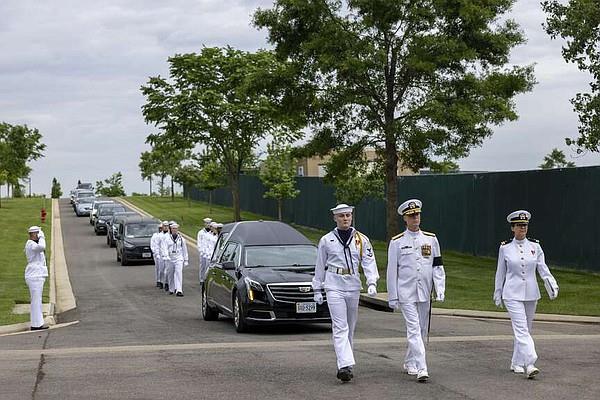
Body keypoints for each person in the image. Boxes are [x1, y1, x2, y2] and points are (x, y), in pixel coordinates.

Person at [312, 203, 379, 382]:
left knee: (350, 326)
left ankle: (347, 363)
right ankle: (343, 365)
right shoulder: (327, 240)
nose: (345, 219)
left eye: (348, 215)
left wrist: (371, 282)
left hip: (353, 284)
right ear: (335, 218)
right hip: (334, 284)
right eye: (341, 216)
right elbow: (320, 265)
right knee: (340, 326)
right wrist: (317, 287)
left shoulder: (361, 239)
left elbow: (369, 261)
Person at [494, 210, 559, 379]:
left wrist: (551, 283)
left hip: (531, 293)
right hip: (512, 293)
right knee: (522, 329)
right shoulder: (505, 247)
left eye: (525, 225)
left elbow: (542, 269)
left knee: (525, 330)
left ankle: (516, 362)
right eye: (519, 225)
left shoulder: (535, 246)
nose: (522, 228)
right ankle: (530, 363)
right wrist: (498, 292)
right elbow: (500, 272)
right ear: (512, 228)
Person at [387, 199, 445, 383]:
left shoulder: (431, 239)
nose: (415, 218)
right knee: (413, 329)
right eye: (411, 216)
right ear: (405, 218)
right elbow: (392, 271)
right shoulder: (397, 242)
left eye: (417, 215)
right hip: (406, 292)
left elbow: (437, 265)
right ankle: (422, 367)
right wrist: (392, 296)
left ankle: (410, 362)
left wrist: (440, 288)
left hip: (425, 291)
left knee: (420, 329)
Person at [24, 226, 49, 330]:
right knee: (36, 300)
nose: (38, 235)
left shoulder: (34, 244)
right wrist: (42, 237)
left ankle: (38, 323)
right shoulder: (31, 244)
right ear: (33, 234)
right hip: (34, 275)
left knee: (37, 300)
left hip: (37, 274)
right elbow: (42, 247)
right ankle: (36, 324)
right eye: (37, 234)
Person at [161, 222, 189, 297]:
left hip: (178, 258)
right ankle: (171, 288)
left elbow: (184, 249)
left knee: (178, 273)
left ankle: (179, 290)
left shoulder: (181, 239)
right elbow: (164, 248)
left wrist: (186, 259)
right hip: (170, 258)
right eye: (173, 228)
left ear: (178, 229)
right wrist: (166, 256)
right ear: (171, 229)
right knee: (170, 274)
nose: (174, 230)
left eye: (176, 229)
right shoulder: (166, 238)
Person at [197, 217, 212, 286]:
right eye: (206, 223)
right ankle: (201, 279)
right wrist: (201, 251)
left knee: (208, 266)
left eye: (209, 223)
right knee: (202, 266)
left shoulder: (211, 233)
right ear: (204, 224)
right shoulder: (201, 233)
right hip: (203, 252)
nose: (208, 225)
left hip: (209, 252)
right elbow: (199, 242)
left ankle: (206, 279)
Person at [150, 224, 163, 288]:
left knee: (163, 268)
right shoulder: (155, 235)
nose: (160, 229)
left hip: (163, 254)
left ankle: (163, 281)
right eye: (160, 228)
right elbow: (152, 245)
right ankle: (158, 280)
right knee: (158, 268)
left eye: (161, 228)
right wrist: (155, 252)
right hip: (157, 254)